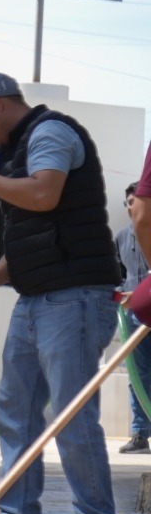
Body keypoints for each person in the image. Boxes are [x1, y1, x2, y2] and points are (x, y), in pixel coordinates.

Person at [0, 72, 124, 514]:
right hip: (36, 298)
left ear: (0, 104)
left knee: (70, 415)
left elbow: (45, 194)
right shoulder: (15, 156)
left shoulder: (50, 134)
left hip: (74, 298)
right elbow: (36, 239)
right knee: (16, 408)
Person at [113, 183, 149, 453]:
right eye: (128, 202)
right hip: (133, 317)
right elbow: (115, 275)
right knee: (137, 375)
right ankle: (140, 435)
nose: (131, 207)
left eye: (135, 202)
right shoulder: (121, 238)